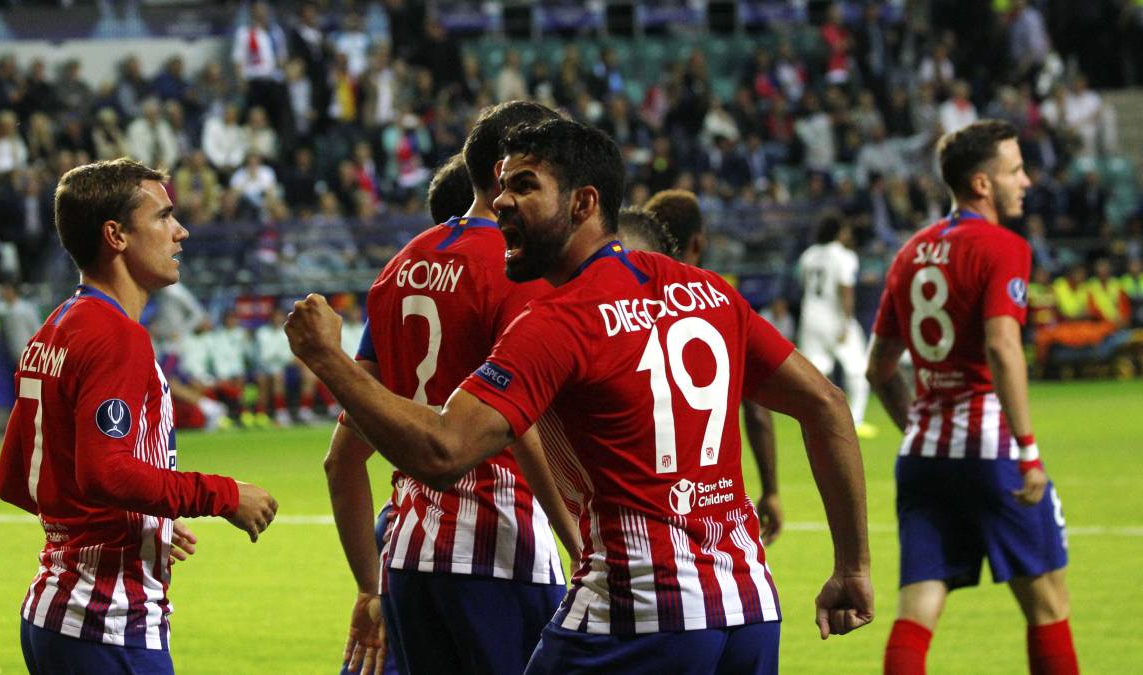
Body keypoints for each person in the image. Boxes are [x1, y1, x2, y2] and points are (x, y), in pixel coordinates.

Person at [288, 118, 873, 674]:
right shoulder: (709, 292)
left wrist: (327, 359)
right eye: (500, 187)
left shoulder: (557, 322)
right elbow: (826, 405)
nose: (501, 203)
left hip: (634, 609)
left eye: (523, 186)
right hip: (748, 608)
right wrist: (852, 566)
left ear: (584, 203)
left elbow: (443, 452)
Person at [322, 101, 579, 675]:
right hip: (501, 545)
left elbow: (341, 461)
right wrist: (580, 546)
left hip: (409, 556)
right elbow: (523, 427)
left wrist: (370, 589)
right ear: (504, 175)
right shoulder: (516, 271)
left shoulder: (397, 270)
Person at [0, 158, 278, 675]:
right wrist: (223, 494)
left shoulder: (55, 328)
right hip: (108, 622)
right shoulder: (116, 335)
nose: (181, 231)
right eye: (163, 217)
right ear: (116, 236)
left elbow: (15, 478)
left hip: (51, 616)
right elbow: (106, 471)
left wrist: (134, 525)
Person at [866, 120, 1078, 675]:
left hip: (921, 458)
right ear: (982, 184)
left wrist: (920, 422)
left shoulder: (911, 251)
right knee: (1049, 603)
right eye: (1015, 171)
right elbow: (1003, 346)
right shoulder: (1004, 247)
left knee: (917, 608)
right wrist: (1028, 450)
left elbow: (878, 367)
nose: (1026, 181)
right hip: (992, 454)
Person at [643, 188, 784, 544]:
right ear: (698, 242)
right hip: (714, 510)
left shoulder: (622, 310)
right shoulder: (723, 303)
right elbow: (758, 411)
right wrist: (771, 490)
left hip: (640, 509)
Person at [796, 213, 879, 440]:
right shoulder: (844, 256)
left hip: (810, 316)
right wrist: (846, 321)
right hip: (834, 317)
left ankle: (816, 419)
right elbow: (846, 289)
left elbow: (802, 284)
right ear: (838, 232)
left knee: (817, 371)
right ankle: (857, 420)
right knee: (858, 370)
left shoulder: (808, 255)